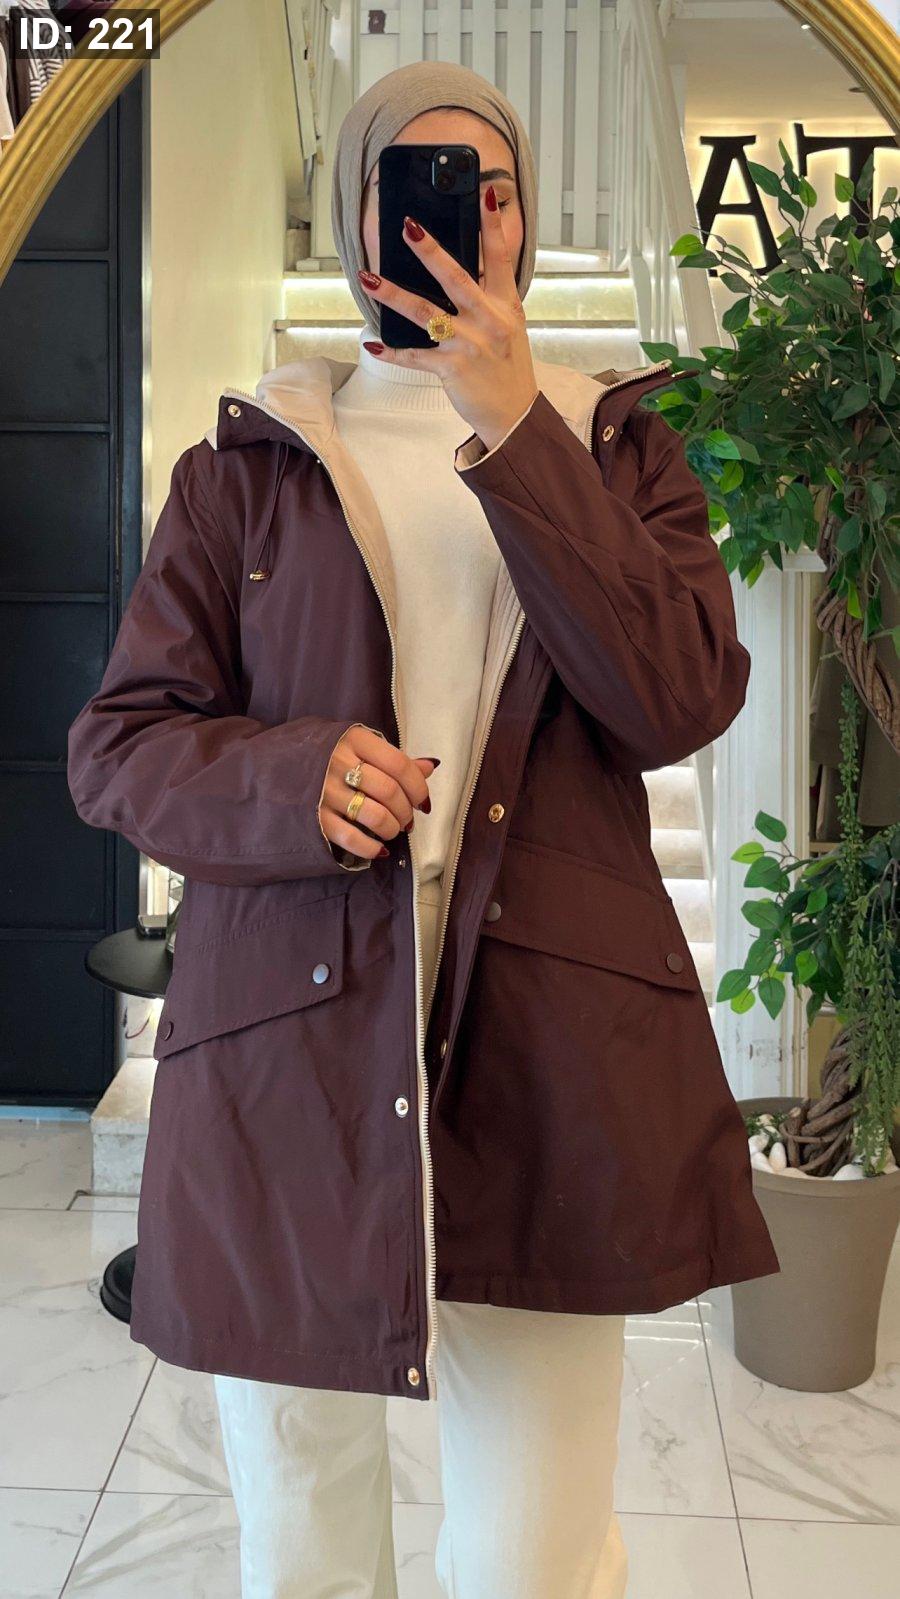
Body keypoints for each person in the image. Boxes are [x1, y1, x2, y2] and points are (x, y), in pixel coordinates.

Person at [66, 59, 779, 1599]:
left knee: (533, 1560)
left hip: (547, 1061)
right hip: (287, 1061)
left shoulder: (616, 446)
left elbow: (674, 697)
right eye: (424, 186)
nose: (470, 220)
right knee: (303, 1548)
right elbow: (117, 749)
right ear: (358, 218)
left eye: (495, 189)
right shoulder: (244, 468)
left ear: (524, 219)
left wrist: (514, 424)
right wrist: (292, 778)